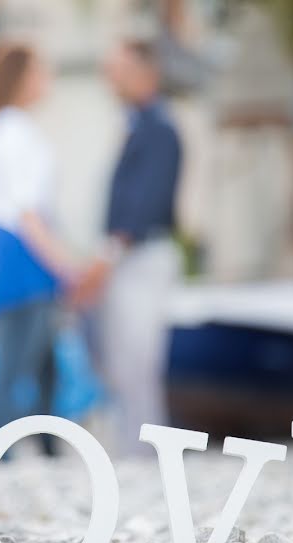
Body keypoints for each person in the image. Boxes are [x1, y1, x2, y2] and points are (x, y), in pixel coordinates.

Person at [0, 43, 77, 456]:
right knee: (18, 359)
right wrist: (64, 264)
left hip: (17, 249)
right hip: (22, 252)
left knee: (42, 360)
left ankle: (48, 447)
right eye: (41, 71)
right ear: (23, 78)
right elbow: (29, 212)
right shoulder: (14, 130)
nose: (48, 80)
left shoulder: (6, 127)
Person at [77, 40, 183, 456]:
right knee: (122, 363)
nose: (112, 79)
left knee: (138, 362)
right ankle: (133, 448)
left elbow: (146, 202)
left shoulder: (159, 128)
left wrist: (107, 257)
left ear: (145, 73)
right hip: (129, 257)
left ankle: (148, 452)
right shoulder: (137, 125)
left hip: (142, 256)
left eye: (119, 70)